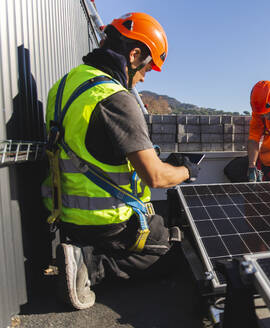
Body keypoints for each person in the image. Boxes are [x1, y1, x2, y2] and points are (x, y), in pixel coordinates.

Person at [41, 13, 199, 310]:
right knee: (176, 255)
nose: (142, 78)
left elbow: (94, 149)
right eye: (147, 69)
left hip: (66, 216)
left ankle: (85, 252)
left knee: (168, 234)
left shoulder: (64, 86)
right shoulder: (116, 98)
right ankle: (90, 265)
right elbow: (156, 177)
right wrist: (187, 170)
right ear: (135, 54)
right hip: (108, 223)